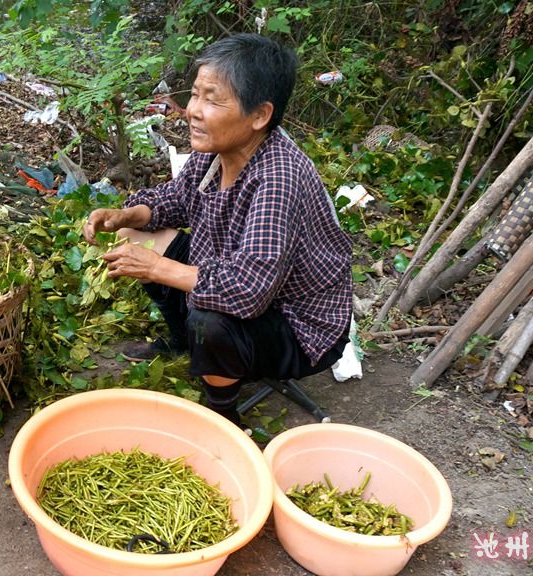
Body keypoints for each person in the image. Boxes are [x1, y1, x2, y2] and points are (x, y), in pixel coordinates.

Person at [82, 33, 353, 427]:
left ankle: (224, 415)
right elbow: (175, 199)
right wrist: (125, 215)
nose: (193, 110)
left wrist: (156, 268)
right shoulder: (217, 152)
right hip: (236, 276)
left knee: (210, 321)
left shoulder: (279, 177)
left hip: (295, 324)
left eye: (212, 99)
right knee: (135, 238)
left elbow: (248, 291)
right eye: (195, 94)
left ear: (259, 115)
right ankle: (184, 342)